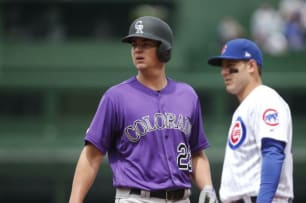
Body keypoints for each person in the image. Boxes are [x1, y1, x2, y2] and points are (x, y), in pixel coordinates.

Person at [68, 16, 218, 203]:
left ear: (164, 50)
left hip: (181, 198)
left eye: (146, 44)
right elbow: (91, 156)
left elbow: (196, 153)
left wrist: (208, 188)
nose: (137, 49)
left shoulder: (187, 95)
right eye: (134, 44)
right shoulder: (116, 97)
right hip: (136, 198)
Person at [207, 38, 294, 203]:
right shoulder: (248, 105)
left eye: (231, 66)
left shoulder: (266, 99)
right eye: (222, 67)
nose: (224, 72)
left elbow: (273, 152)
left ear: (251, 66)